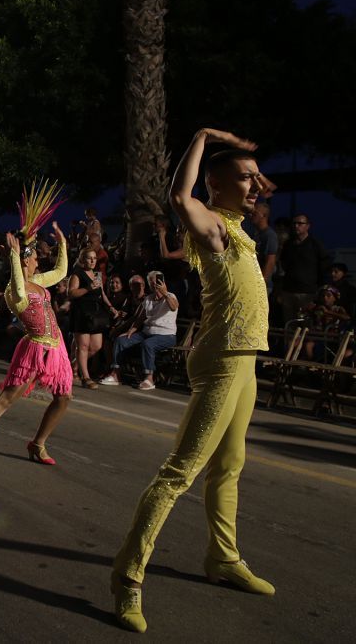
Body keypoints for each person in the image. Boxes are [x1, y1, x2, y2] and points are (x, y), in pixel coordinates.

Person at [111, 129, 276, 633]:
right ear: (217, 187)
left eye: (256, 180)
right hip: (222, 357)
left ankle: (223, 559)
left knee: (229, 465)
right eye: (244, 180)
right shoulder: (211, 225)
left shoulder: (242, 230)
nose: (255, 187)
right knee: (180, 472)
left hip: (245, 358)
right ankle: (127, 576)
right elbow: (180, 196)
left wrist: (247, 169)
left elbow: (254, 188)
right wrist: (204, 136)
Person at [0, 180, 71, 472]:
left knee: (64, 397)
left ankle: (38, 442)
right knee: (8, 398)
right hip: (34, 347)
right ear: (25, 259)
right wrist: (13, 256)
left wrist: (63, 244)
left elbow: (61, 271)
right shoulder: (14, 289)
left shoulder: (39, 281)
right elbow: (20, 292)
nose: (38, 258)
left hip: (56, 347)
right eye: (34, 255)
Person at [100, 271, 179, 390]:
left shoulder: (170, 296)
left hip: (166, 335)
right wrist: (131, 330)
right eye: (151, 282)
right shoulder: (148, 299)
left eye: (155, 282)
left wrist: (164, 293)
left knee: (148, 344)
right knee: (121, 340)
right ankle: (116, 374)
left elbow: (174, 307)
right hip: (146, 333)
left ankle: (149, 378)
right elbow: (140, 318)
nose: (153, 285)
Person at [68, 248, 112, 389]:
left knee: (96, 346)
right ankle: (86, 378)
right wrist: (88, 288)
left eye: (94, 258)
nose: (92, 261)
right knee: (83, 346)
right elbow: (71, 293)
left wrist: (111, 307)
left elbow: (102, 293)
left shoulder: (97, 274)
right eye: (89, 258)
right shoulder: (77, 274)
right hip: (82, 313)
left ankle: (71, 366)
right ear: (83, 260)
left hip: (95, 314)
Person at [277, 213, 331, 323]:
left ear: (307, 226)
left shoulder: (315, 244)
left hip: (307, 292)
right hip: (289, 291)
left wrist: (320, 289)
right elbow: (283, 265)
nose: (296, 226)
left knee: (305, 324)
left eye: (300, 223)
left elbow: (324, 266)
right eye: (294, 223)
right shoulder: (288, 244)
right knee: (289, 323)